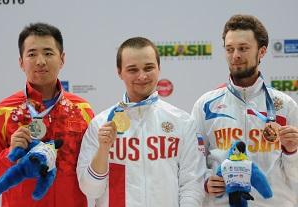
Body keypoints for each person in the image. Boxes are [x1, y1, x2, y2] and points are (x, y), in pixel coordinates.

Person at [77, 37, 206, 207]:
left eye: (149, 67)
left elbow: (192, 185)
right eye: (132, 70)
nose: (142, 76)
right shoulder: (100, 124)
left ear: (159, 68)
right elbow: (91, 190)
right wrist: (103, 149)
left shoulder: (182, 122)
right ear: (119, 72)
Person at [191, 14, 298, 207]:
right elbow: (191, 164)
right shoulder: (205, 105)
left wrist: (292, 152)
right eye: (230, 49)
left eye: (243, 48)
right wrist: (206, 181)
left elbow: (295, 176)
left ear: (262, 51)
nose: (235, 55)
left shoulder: (285, 105)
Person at [0, 23, 94, 207]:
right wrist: (9, 154)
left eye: (48, 53)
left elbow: (93, 169)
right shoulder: (3, 112)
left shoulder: (82, 109)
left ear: (62, 59)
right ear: (21, 62)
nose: (40, 61)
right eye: (32, 54)